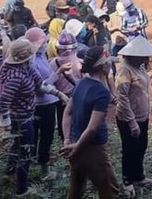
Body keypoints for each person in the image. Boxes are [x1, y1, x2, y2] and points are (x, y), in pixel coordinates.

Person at [0, 38, 61, 197]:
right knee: (25, 151)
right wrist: (6, 125)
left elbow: (41, 84)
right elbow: (2, 104)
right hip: (21, 119)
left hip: (28, 115)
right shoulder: (15, 76)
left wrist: (60, 95)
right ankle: (22, 189)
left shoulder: (27, 67)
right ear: (27, 56)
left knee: (23, 149)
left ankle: (15, 177)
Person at [61, 46, 120, 199]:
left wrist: (68, 141)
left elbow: (67, 112)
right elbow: (93, 128)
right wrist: (77, 147)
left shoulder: (81, 83)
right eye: (108, 63)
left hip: (75, 141)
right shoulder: (101, 92)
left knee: (76, 190)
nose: (110, 66)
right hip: (92, 149)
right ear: (103, 66)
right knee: (110, 190)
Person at [115, 37, 152, 197]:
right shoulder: (124, 71)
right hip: (128, 118)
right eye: (144, 56)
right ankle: (127, 180)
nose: (147, 58)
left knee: (141, 146)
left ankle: (139, 176)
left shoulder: (139, 68)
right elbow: (122, 98)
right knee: (130, 149)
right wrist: (132, 122)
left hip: (142, 116)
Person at [25, 27, 69, 181]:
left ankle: (41, 168)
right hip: (41, 104)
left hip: (48, 103)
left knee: (45, 137)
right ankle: (38, 170)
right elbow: (39, 87)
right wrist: (57, 74)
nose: (45, 44)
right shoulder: (30, 61)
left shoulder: (40, 55)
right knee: (38, 137)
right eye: (42, 42)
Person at [50, 31, 84, 142]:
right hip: (77, 98)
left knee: (62, 122)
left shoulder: (53, 63)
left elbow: (49, 83)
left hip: (60, 98)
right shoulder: (80, 63)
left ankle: (65, 142)